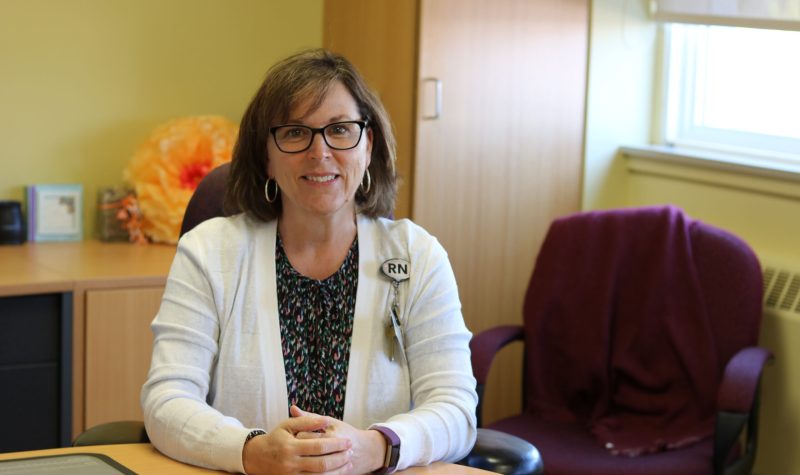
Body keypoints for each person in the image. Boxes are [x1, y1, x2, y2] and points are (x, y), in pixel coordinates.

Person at [141, 49, 478, 475]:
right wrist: (251, 451)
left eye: (339, 129)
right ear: (266, 153)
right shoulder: (209, 252)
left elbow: (456, 409)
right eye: (296, 132)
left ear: (367, 144)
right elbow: (167, 400)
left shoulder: (418, 255)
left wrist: (374, 448)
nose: (320, 153)